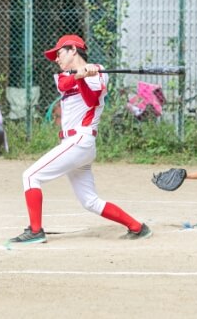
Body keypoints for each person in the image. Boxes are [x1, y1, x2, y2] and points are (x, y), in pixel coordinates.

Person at [8, 34, 152, 244]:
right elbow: (65, 84)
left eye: (59, 53)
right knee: (90, 201)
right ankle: (137, 227)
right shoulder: (63, 76)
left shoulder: (100, 73)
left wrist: (86, 77)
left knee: (31, 176)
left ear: (73, 50)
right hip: (73, 145)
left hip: (81, 140)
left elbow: (92, 101)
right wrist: (79, 75)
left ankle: (36, 231)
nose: (56, 59)